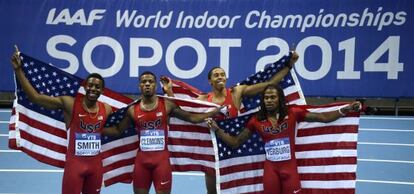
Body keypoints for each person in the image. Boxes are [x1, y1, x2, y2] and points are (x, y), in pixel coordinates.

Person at [161, 51, 299, 194]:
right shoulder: (203, 99)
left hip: (235, 142)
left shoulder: (236, 92)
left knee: (235, 181)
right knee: (212, 183)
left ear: (226, 78)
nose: (220, 77)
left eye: (222, 74)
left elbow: (269, 84)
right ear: (210, 81)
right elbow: (183, 110)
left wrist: (288, 65)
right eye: (216, 75)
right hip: (215, 144)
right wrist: (170, 91)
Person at [205, 84, 361, 194]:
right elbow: (235, 142)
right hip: (271, 171)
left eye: (273, 97)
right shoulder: (256, 121)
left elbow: (324, 117)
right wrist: (217, 130)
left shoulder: (293, 113)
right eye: (266, 97)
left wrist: (345, 109)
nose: (269, 100)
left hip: (290, 170)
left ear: (279, 99)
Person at [11, 46, 113, 194]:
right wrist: (19, 71)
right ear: (85, 87)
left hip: (96, 168)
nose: (93, 88)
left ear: (102, 90)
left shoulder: (107, 109)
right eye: (90, 85)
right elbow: (36, 98)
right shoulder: (70, 104)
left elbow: (115, 127)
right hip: (75, 166)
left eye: (97, 87)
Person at [104, 71, 223, 194]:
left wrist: (214, 112)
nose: (147, 84)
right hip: (141, 163)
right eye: (144, 82)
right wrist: (95, 130)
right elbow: (117, 131)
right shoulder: (132, 110)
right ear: (139, 86)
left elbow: (192, 118)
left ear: (155, 85)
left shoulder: (167, 105)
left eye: (150, 81)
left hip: (162, 164)